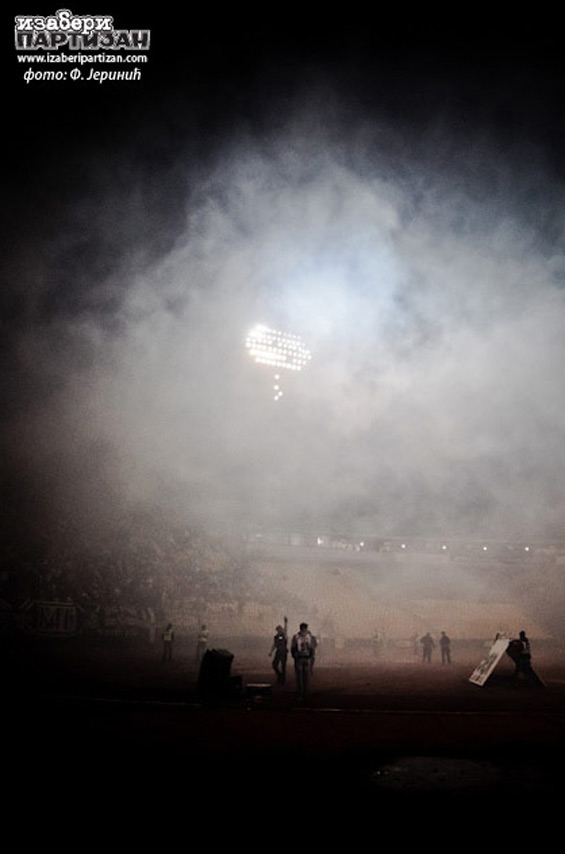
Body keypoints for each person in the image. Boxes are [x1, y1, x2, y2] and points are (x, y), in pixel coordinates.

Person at [291, 622, 315, 698]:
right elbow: (311, 648)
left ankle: (301, 693)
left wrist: (294, 656)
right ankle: (304, 692)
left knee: (301, 677)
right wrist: (311, 656)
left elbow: (293, 648)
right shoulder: (308, 636)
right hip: (304, 657)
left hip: (300, 658)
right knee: (304, 677)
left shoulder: (296, 637)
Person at [269, 616, 288, 684]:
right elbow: (274, 644)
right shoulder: (276, 637)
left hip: (283, 651)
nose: (280, 631)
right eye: (278, 630)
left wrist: (285, 623)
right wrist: (271, 651)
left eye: (280, 629)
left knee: (283, 665)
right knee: (274, 665)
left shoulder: (284, 635)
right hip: (279, 651)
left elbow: (285, 630)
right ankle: (280, 675)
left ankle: (282, 679)